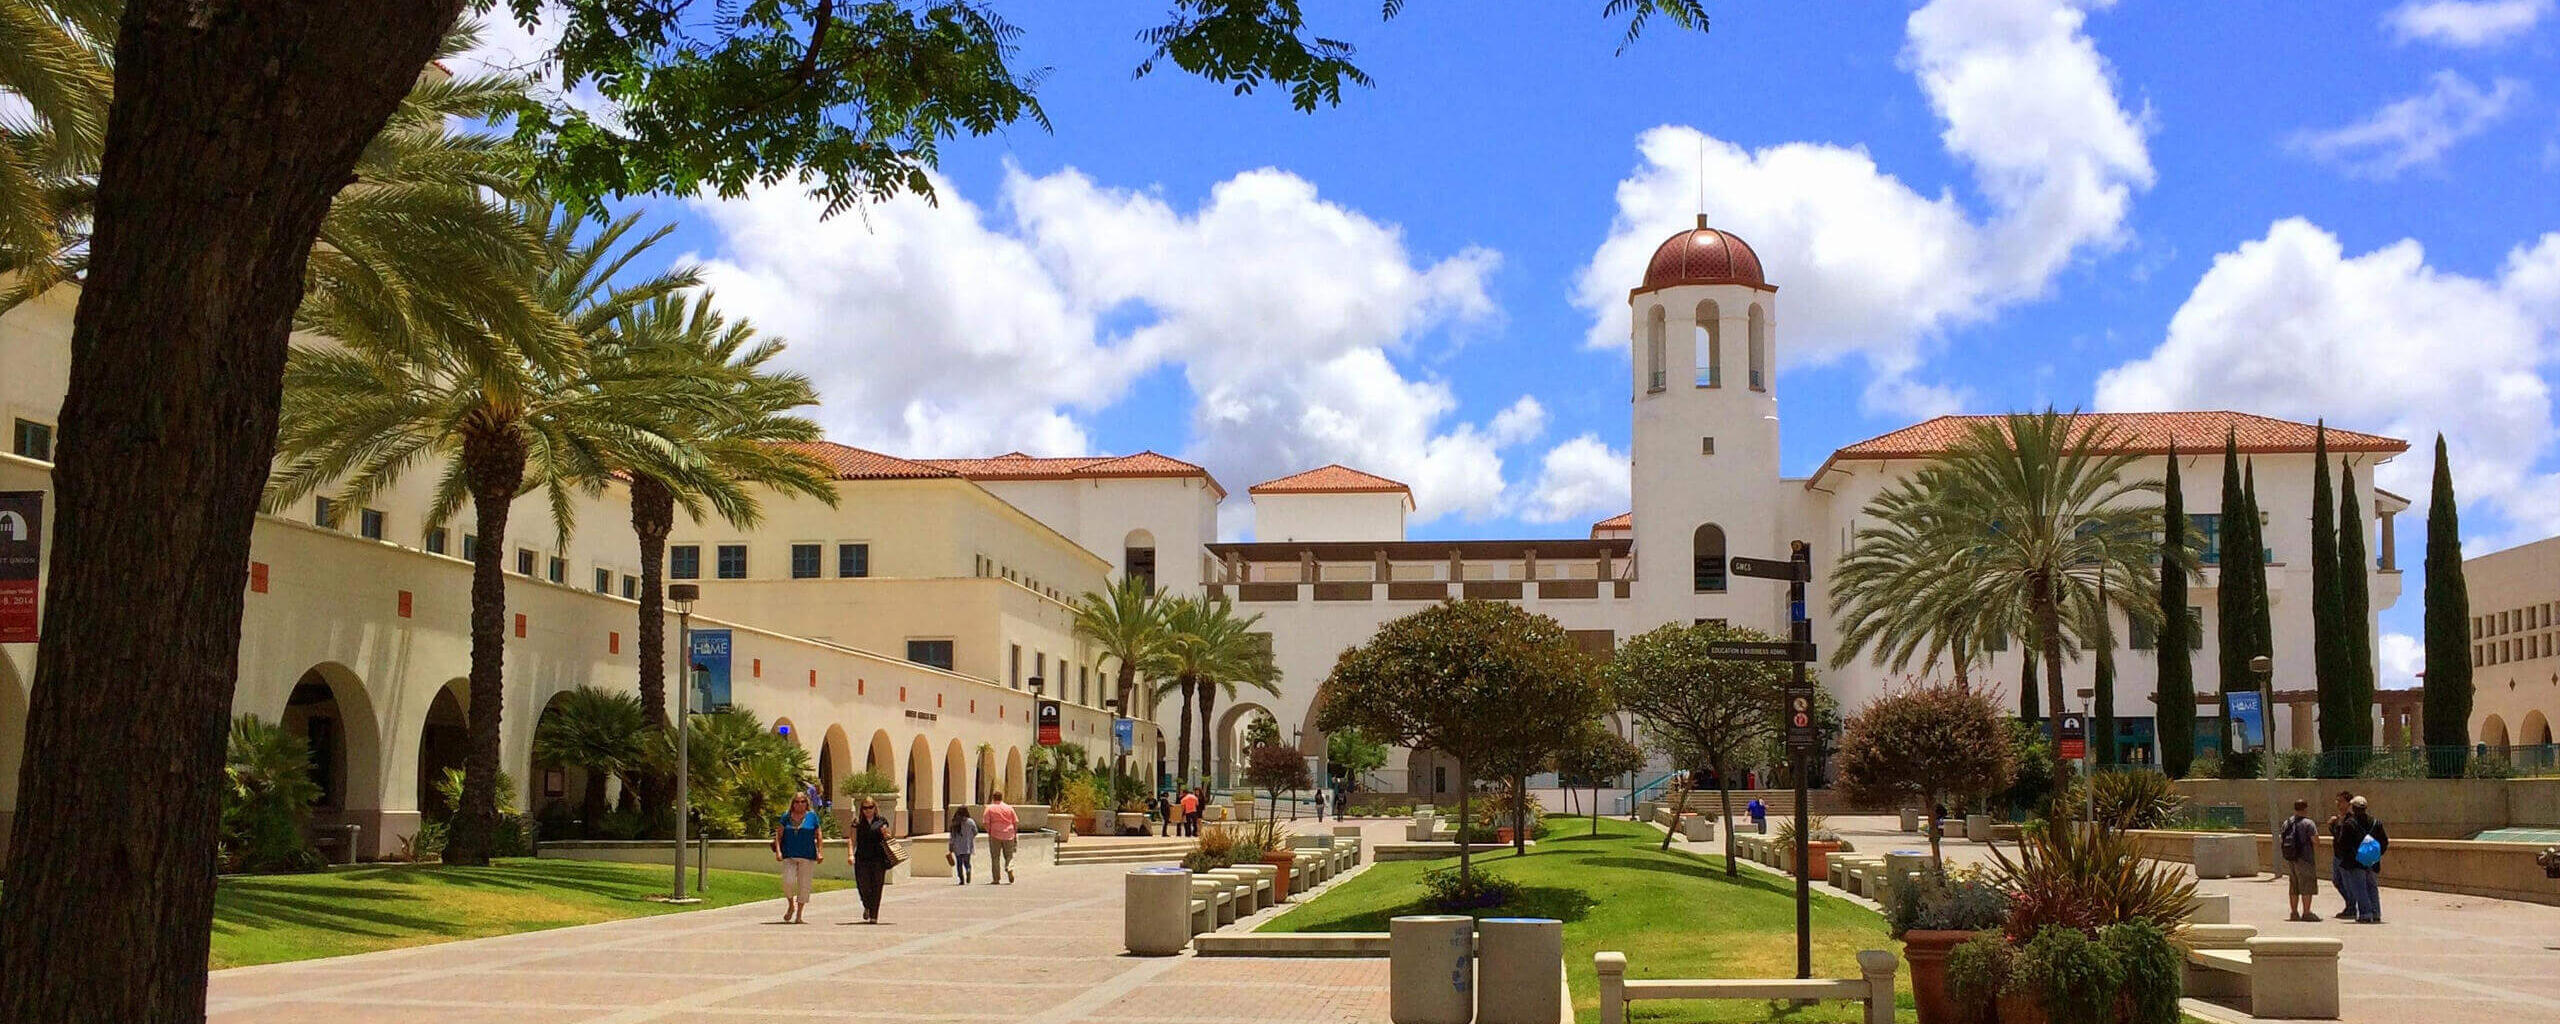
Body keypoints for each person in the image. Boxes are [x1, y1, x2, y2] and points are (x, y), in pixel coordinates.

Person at [770, 792, 828, 924]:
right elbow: (778, 836)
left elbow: (818, 835)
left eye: (802, 801)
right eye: (797, 802)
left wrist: (820, 852)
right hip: (789, 854)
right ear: (793, 803)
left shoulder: (812, 817)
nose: (800, 804)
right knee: (788, 881)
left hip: (807, 855)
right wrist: (778, 852)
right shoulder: (786, 817)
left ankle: (799, 915)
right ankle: (791, 904)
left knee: (804, 884)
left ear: (806, 803)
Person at [846, 796, 895, 924]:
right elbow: (852, 839)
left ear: (875, 808)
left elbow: (889, 837)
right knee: (863, 885)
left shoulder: (881, 821)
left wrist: (886, 834)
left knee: (877, 886)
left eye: (870, 807)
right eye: (865, 808)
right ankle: (867, 905)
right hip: (862, 858)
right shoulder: (857, 823)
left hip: (878, 858)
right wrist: (851, 854)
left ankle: (874, 915)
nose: (868, 810)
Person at [2339, 795, 2388, 924]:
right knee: (2372, 886)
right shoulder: (2376, 822)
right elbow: (2384, 841)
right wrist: (2375, 855)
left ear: (2353, 808)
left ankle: (2365, 914)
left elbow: (2343, 843)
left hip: (2356, 862)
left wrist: (2350, 857)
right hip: (2372, 860)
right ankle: (2376, 913)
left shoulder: (2349, 824)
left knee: (2360, 887)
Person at [2280, 798, 2320, 921]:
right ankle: (2307, 912)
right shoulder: (2308, 823)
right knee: (2306, 885)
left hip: (2291, 858)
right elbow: (2315, 840)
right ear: (2305, 809)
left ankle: (2294, 912)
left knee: (2294, 885)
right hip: (2305, 858)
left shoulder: (2287, 822)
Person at [2326, 790, 2356, 919]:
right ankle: (2350, 904)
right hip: (2337, 855)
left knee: (2348, 883)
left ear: (2348, 804)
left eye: (2341, 801)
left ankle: (2351, 907)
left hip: (2347, 856)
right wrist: (2332, 825)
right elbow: (2337, 837)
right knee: (2337, 881)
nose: (2338, 804)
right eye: (2337, 801)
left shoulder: (2351, 820)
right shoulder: (2337, 820)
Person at [982, 791, 1020, 885]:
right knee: (1009, 855)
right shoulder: (1009, 808)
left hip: (995, 834)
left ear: (993, 798)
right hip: (1009, 834)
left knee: (995, 857)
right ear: (1001, 798)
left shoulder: (989, 808)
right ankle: (1009, 867)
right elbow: (1015, 821)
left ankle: (996, 879)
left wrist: (990, 832)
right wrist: (1014, 833)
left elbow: (986, 822)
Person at [947, 804, 979, 885]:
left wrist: (951, 845)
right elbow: (975, 832)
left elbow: (952, 836)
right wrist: (970, 837)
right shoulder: (970, 821)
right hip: (967, 846)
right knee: (967, 862)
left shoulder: (955, 822)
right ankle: (968, 870)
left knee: (959, 863)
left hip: (957, 846)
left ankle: (961, 879)